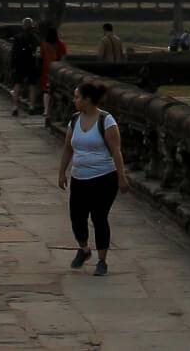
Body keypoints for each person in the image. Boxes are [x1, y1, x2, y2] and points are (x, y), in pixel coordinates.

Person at [58, 80, 130, 276]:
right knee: (77, 216)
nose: (74, 100)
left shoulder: (106, 121)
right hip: (79, 177)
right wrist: (61, 172)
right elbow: (68, 148)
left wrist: (121, 177)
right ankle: (84, 249)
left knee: (99, 217)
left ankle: (102, 260)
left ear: (88, 100)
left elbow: (116, 151)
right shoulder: (74, 120)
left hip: (104, 177)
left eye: (77, 97)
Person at [9, 20, 40, 116]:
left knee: (17, 85)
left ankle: (15, 107)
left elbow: (13, 53)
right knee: (32, 86)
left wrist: (12, 65)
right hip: (31, 63)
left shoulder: (18, 37)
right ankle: (31, 106)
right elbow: (38, 52)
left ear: (23, 26)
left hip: (19, 64)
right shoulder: (35, 38)